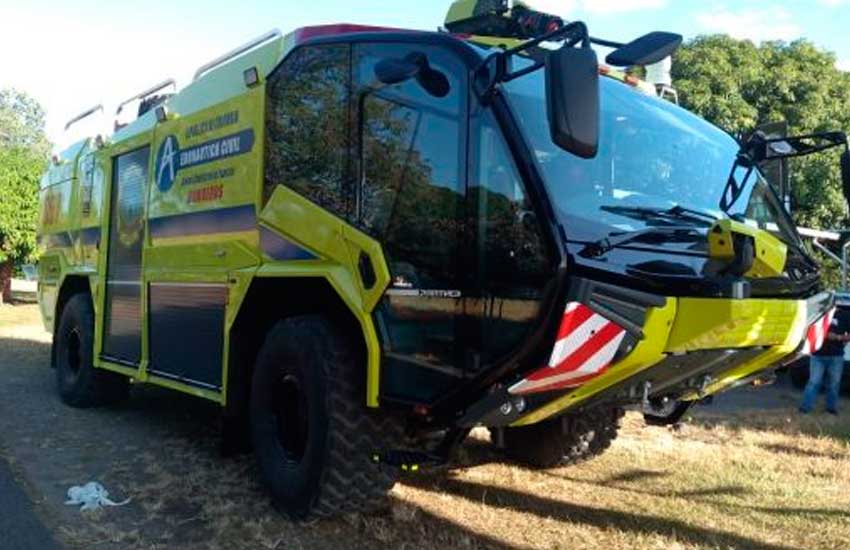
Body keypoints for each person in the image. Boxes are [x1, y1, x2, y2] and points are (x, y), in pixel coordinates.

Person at [800, 312, 849, 415]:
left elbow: (848, 336)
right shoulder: (820, 313)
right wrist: (825, 335)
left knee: (834, 384)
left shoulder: (845, 315)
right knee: (814, 382)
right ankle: (805, 408)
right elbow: (809, 330)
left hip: (836, 355)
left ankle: (831, 409)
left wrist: (838, 337)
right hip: (817, 354)